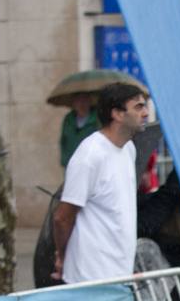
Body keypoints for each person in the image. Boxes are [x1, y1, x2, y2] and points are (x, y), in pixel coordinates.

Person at [53, 83, 149, 283]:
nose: (146, 113)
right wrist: (62, 256)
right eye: (138, 107)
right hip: (90, 277)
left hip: (120, 273)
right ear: (117, 114)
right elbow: (62, 217)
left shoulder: (129, 148)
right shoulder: (90, 155)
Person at [59, 92, 101, 168]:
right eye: (78, 101)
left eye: (85, 100)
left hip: (91, 164)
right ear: (73, 104)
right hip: (71, 163)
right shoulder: (68, 119)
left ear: (90, 102)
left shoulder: (98, 119)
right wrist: (65, 161)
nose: (82, 104)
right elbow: (64, 141)